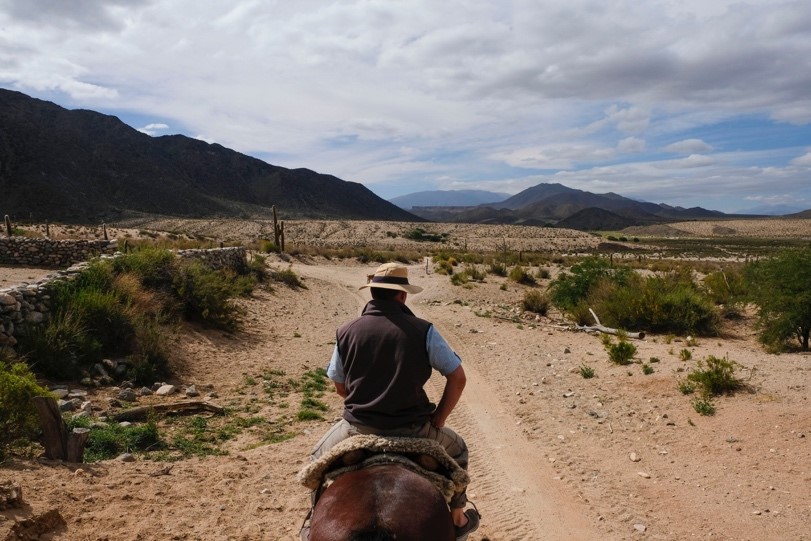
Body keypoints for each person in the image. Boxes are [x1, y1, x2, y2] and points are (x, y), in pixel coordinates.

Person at [307, 262, 479, 540]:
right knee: (459, 451)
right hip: (414, 429)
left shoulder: (347, 331)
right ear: (402, 295)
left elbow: (339, 385)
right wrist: (440, 419)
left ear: (373, 293)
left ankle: (310, 523)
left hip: (357, 428)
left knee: (317, 460)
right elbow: (457, 377)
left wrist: (361, 403)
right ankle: (458, 518)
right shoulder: (424, 330)